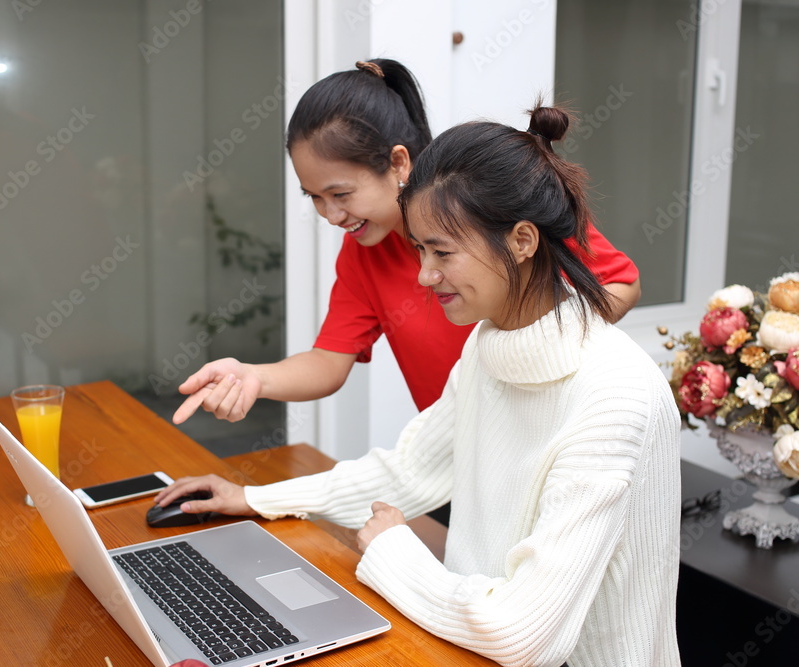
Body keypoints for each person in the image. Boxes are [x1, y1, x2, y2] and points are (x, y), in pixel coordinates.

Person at [156, 104, 682, 666]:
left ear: (524, 240)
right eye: (420, 251)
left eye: (442, 253)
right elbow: (410, 469)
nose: (424, 276)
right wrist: (254, 499)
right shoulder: (488, 346)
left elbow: (523, 634)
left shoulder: (616, 395)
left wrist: (392, 552)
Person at [172, 59, 642, 426]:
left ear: (398, 163)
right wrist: (254, 376)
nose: (331, 215)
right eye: (314, 198)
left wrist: (529, 351)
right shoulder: (364, 250)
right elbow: (329, 361)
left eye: (341, 194)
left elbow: (620, 284)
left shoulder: (493, 200)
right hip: (456, 455)